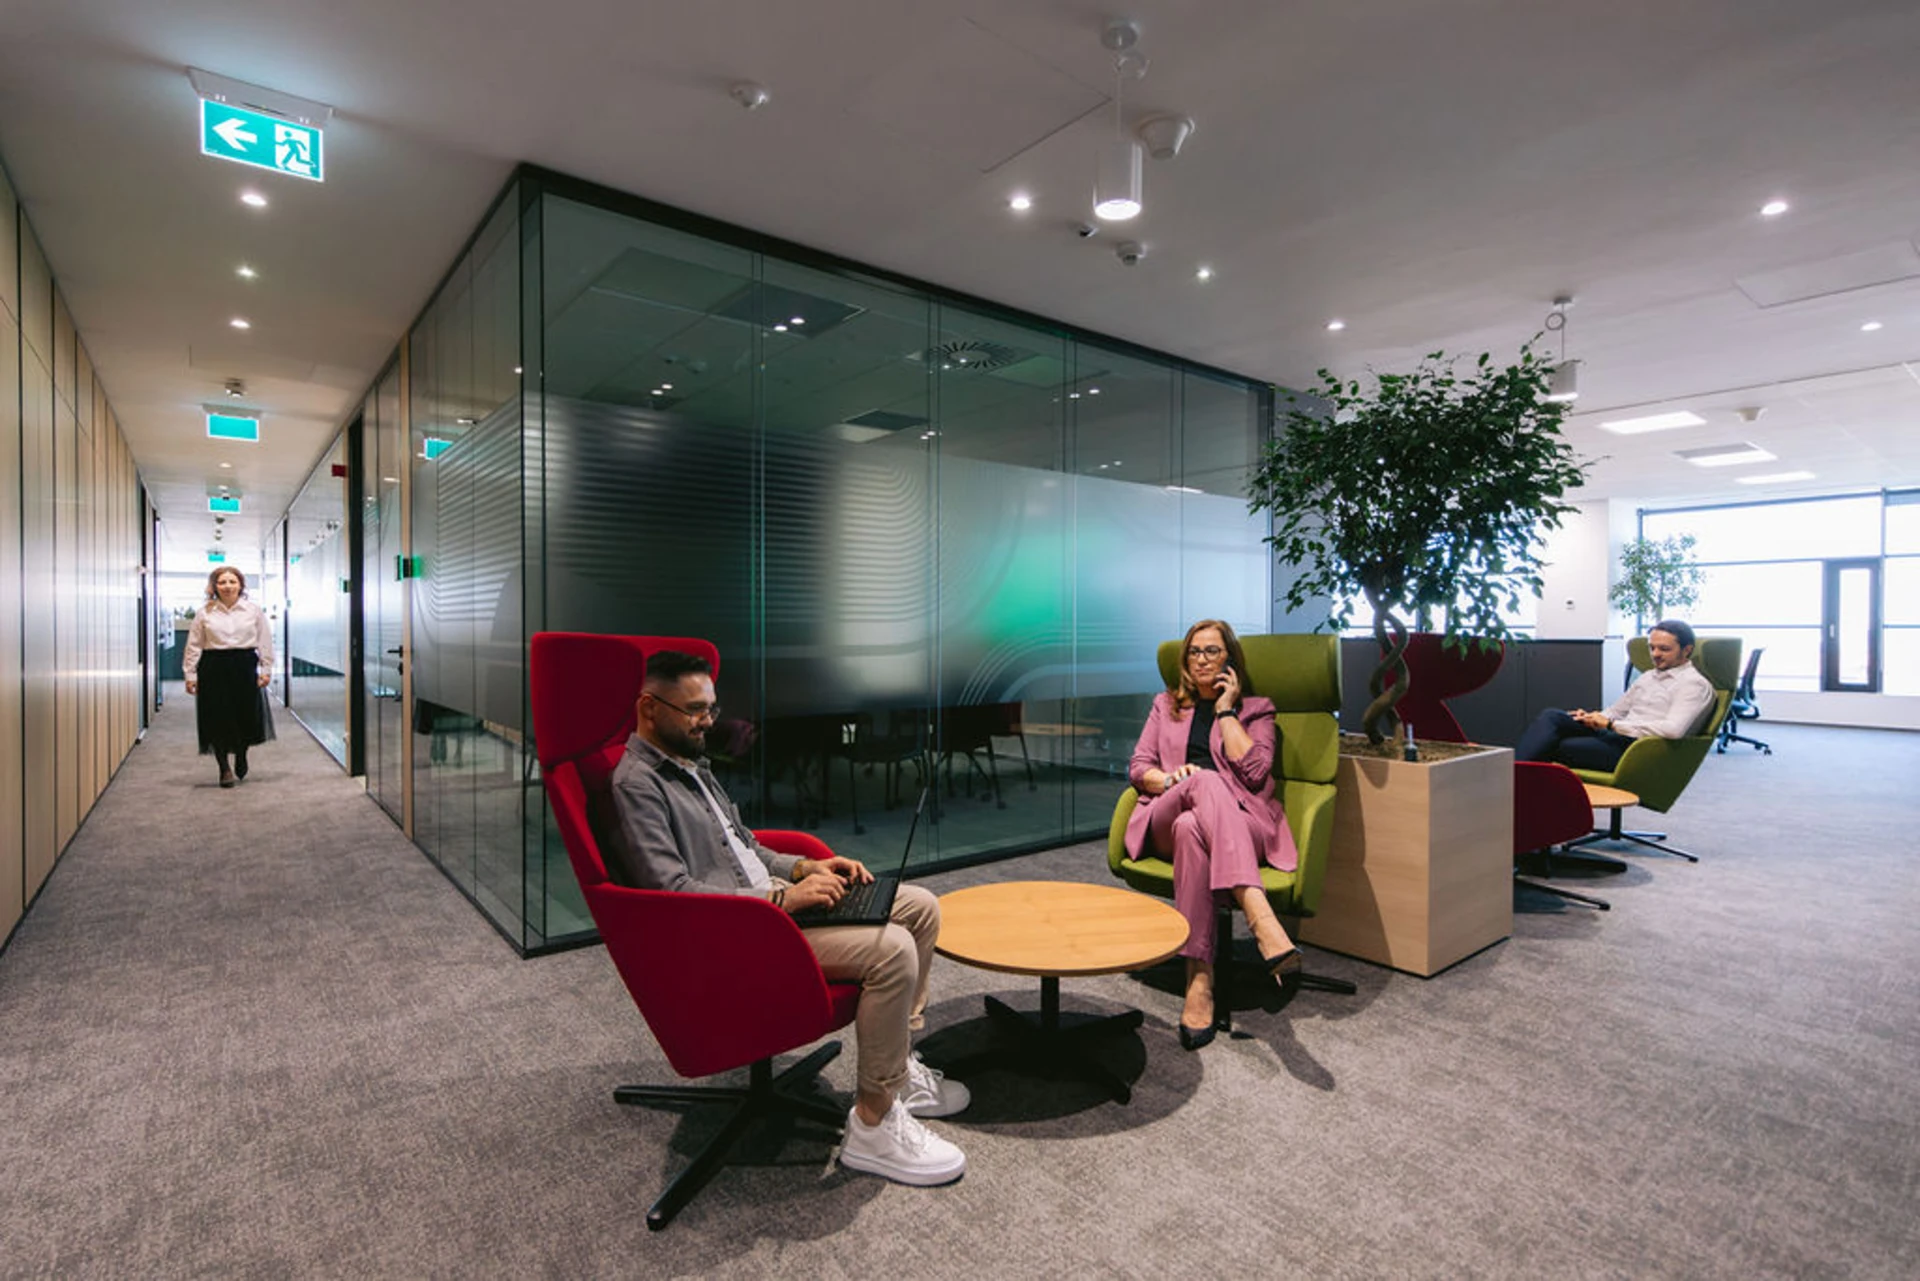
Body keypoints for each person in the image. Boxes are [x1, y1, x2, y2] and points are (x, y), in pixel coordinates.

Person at [608, 651, 969, 1187]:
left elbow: (745, 848)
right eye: (695, 710)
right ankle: (873, 1126)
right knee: (892, 950)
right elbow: (673, 893)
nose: (709, 721)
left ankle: (900, 1066)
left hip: (772, 909)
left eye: (711, 708)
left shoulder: (692, 765)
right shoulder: (637, 784)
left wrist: (805, 868)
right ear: (648, 707)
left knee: (919, 907)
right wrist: (783, 901)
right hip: (740, 934)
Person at [1123, 619, 1304, 1051]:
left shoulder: (1257, 710)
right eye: (1194, 651)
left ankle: (1199, 980)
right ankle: (1261, 919)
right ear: (1185, 660)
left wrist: (1225, 711)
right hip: (1167, 810)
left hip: (1240, 823)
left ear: (1230, 660)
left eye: (1212, 651)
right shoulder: (1166, 705)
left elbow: (1255, 773)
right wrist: (1172, 780)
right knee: (1202, 783)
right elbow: (1138, 767)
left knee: (1192, 829)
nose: (1202, 659)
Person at [1512, 619, 1715, 770]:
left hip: (1639, 748)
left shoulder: (1693, 684)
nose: (1655, 654)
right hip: (1617, 734)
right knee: (1553, 716)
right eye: (1652, 648)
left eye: (1664, 649)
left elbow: (1673, 730)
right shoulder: (1648, 676)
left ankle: (1512, 780)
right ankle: (1513, 775)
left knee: (1556, 744)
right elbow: (1616, 711)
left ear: (1686, 650)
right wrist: (1593, 718)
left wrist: (1612, 725)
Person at [182, 566, 276, 788]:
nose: (227, 586)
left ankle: (241, 754)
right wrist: (190, 674)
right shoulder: (204, 613)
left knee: (245, 715)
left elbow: (264, 641)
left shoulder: (253, 611)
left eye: (232, 581)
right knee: (217, 718)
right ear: (214, 586)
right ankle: (224, 768)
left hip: (244, 666)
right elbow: (194, 645)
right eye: (222, 582)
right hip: (213, 667)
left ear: (240, 585)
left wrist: (266, 669)